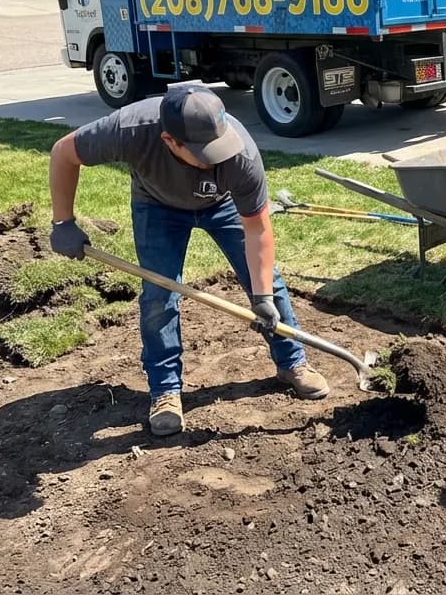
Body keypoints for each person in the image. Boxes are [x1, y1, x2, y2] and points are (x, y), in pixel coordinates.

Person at [48, 85, 330, 436]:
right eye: (204, 152)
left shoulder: (240, 156)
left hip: (222, 205)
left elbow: (258, 231)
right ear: (169, 140)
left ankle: (293, 363)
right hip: (157, 204)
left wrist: (262, 299)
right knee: (159, 297)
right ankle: (165, 390)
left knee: (267, 282)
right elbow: (63, 152)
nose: (214, 158)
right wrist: (63, 222)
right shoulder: (129, 129)